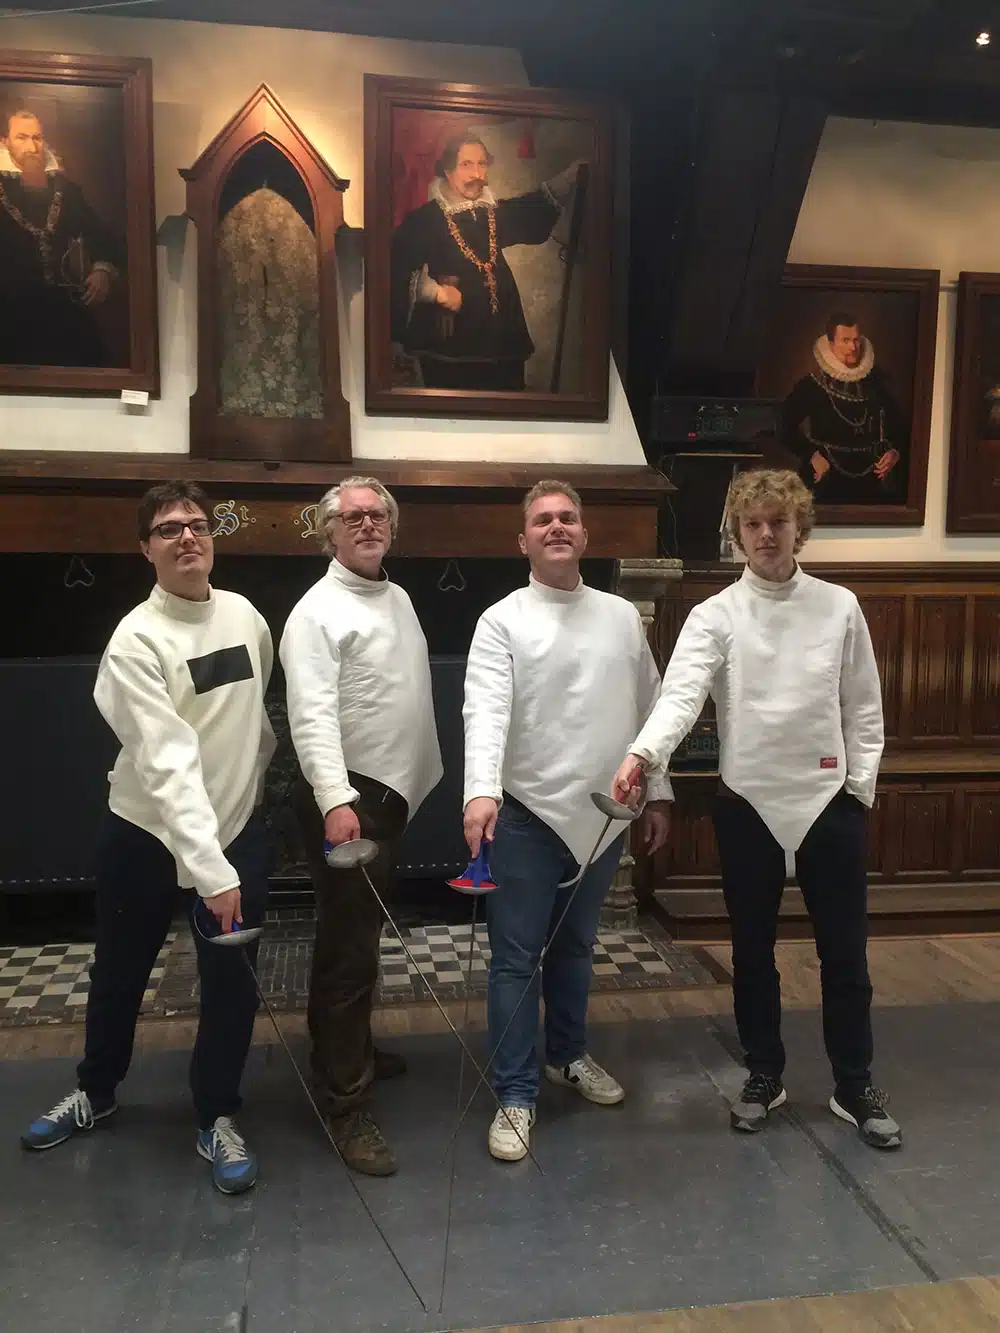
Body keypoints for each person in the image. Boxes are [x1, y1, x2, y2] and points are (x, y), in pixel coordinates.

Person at [611, 468, 901, 1150]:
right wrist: (641, 756)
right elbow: (681, 696)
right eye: (753, 524)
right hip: (748, 804)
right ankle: (764, 1073)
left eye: (778, 521)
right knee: (751, 952)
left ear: (801, 527)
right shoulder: (715, 614)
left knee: (845, 954)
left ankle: (853, 1083)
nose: (767, 534)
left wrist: (858, 789)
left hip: (828, 802)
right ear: (738, 534)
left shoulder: (839, 606)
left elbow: (863, 706)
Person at [21, 482, 276, 1194]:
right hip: (145, 833)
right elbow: (167, 761)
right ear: (145, 548)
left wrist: (239, 815)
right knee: (120, 970)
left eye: (197, 524)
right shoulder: (134, 640)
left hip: (234, 830)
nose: (187, 537)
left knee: (231, 984)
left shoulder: (246, 617)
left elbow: (253, 722)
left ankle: (216, 1114)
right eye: (168, 529)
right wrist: (209, 867)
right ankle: (96, 1091)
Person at [463, 480, 672, 1162]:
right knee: (516, 961)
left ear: (585, 534)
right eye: (543, 520)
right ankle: (515, 1092)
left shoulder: (621, 617)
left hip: (604, 818)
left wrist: (659, 792)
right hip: (526, 814)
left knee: (577, 948)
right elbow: (484, 710)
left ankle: (567, 1056)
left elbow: (652, 707)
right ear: (522, 540)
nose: (557, 526)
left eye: (568, 517)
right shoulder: (501, 620)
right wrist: (480, 792)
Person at [280, 476, 442, 1177]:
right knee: (347, 953)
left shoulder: (396, 597)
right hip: (349, 801)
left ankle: (348, 1052)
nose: (368, 524)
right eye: (352, 518)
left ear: (392, 527)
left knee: (361, 941)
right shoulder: (315, 612)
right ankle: (345, 1102)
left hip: (386, 796)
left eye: (377, 515)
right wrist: (334, 801)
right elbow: (311, 714)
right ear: (329, 534)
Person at [390, 133, 582, 391]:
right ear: (448, 170)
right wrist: (435, 293)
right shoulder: (424, 219)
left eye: (482, 164)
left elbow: (530, 211)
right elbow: (397, 267)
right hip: (451, 344)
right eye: (466, 164)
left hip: (503, 340)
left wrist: (569, 179)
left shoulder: (492, 212)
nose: (476, 174)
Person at [0, 107, 122, 367]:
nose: (32, 146)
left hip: (60, 306)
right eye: (22, 137)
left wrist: (101, 270)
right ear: (5, 142)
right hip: (8, 308)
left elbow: (98, 233)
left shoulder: (66, 191)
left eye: (37, 137)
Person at [780, 313, 909, 505]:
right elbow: (782, 426)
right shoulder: (811, 385)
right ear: (831, 343)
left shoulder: (877, 382)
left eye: (856, 340)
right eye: (845, 340)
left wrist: (894, 453)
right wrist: (812, 455)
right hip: (826, 478)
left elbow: (901, 427)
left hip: (870, 481)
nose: (853, 347)